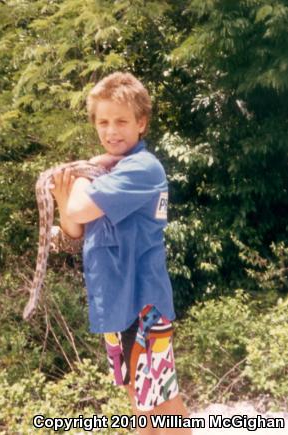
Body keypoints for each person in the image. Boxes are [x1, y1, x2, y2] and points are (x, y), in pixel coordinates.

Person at [50, 72, 192, 435]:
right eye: (103, 122)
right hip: (116, 304)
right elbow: (72, 232)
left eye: (121, 121)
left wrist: (81, 173)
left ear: (141, 123)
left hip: (142, 306)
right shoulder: (114, 170)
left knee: (163, 405)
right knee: (140, 399)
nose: (111, 131)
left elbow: (77, 210)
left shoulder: (141, 168)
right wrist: (76, 196)